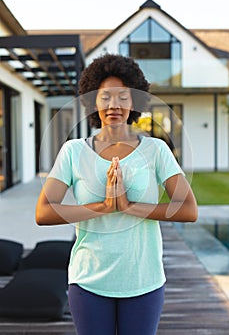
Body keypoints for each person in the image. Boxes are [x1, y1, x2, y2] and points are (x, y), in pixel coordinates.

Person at [36, 54, 198, 335]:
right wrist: (104, 206)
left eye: (123, 96)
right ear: (92, 100)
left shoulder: (156, 150)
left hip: (143, 281)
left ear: (134, 101)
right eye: (105, 96)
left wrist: (129, 205)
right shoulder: (74, 151)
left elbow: (188, 209)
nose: (114, 105)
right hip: (88, 281)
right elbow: (44, 212)